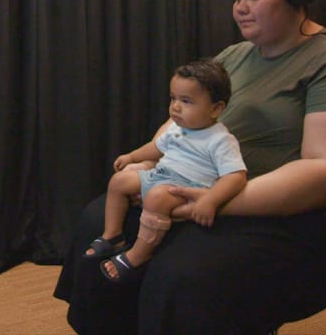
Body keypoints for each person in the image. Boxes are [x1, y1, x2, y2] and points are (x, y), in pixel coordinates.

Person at [54, 0, 326, 335]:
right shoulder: (232, 57)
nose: (240, 7)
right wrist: (156, 166)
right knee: (99, 220)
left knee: (184, 275)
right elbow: (182, 120)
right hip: (214, 197)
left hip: (315, 223)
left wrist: (208, 202)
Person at [86, 59, 247, 284]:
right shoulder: (176, 128)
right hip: (161, 175)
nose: (175, 107)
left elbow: (236, 176)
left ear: (216, 108)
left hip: (186, 187)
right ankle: (113, 235)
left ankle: (138, 255)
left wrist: (211, 199)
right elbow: (155, 148)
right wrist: (132, 157)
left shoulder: (221, 140)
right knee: (119, 181)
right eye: (173, 98)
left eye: (186, 101)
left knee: (157, 196)